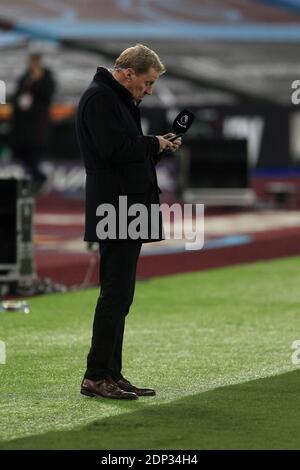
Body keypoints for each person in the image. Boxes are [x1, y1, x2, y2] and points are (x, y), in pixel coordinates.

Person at [76, 44, 181, 400]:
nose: (149, 90)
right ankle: (95, 375)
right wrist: (152, 144)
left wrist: (156, 146)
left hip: (126, 205)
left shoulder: (117, 99)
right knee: (115, 293)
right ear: (128, 73)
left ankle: (111, 373)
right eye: (147, 82)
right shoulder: (100, 99)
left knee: (122, 295)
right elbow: (113, 150)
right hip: (115, 207)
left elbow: (126, 150)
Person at [11, 52, 56, 193]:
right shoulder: (24, 78)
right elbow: (16, 97)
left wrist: (36, 82)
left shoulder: (47, 79)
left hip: (38, 127)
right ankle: (37, 178)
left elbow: (47, 95)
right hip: (22, 127)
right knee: (22, 154)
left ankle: (39, 178)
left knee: (34, 155)